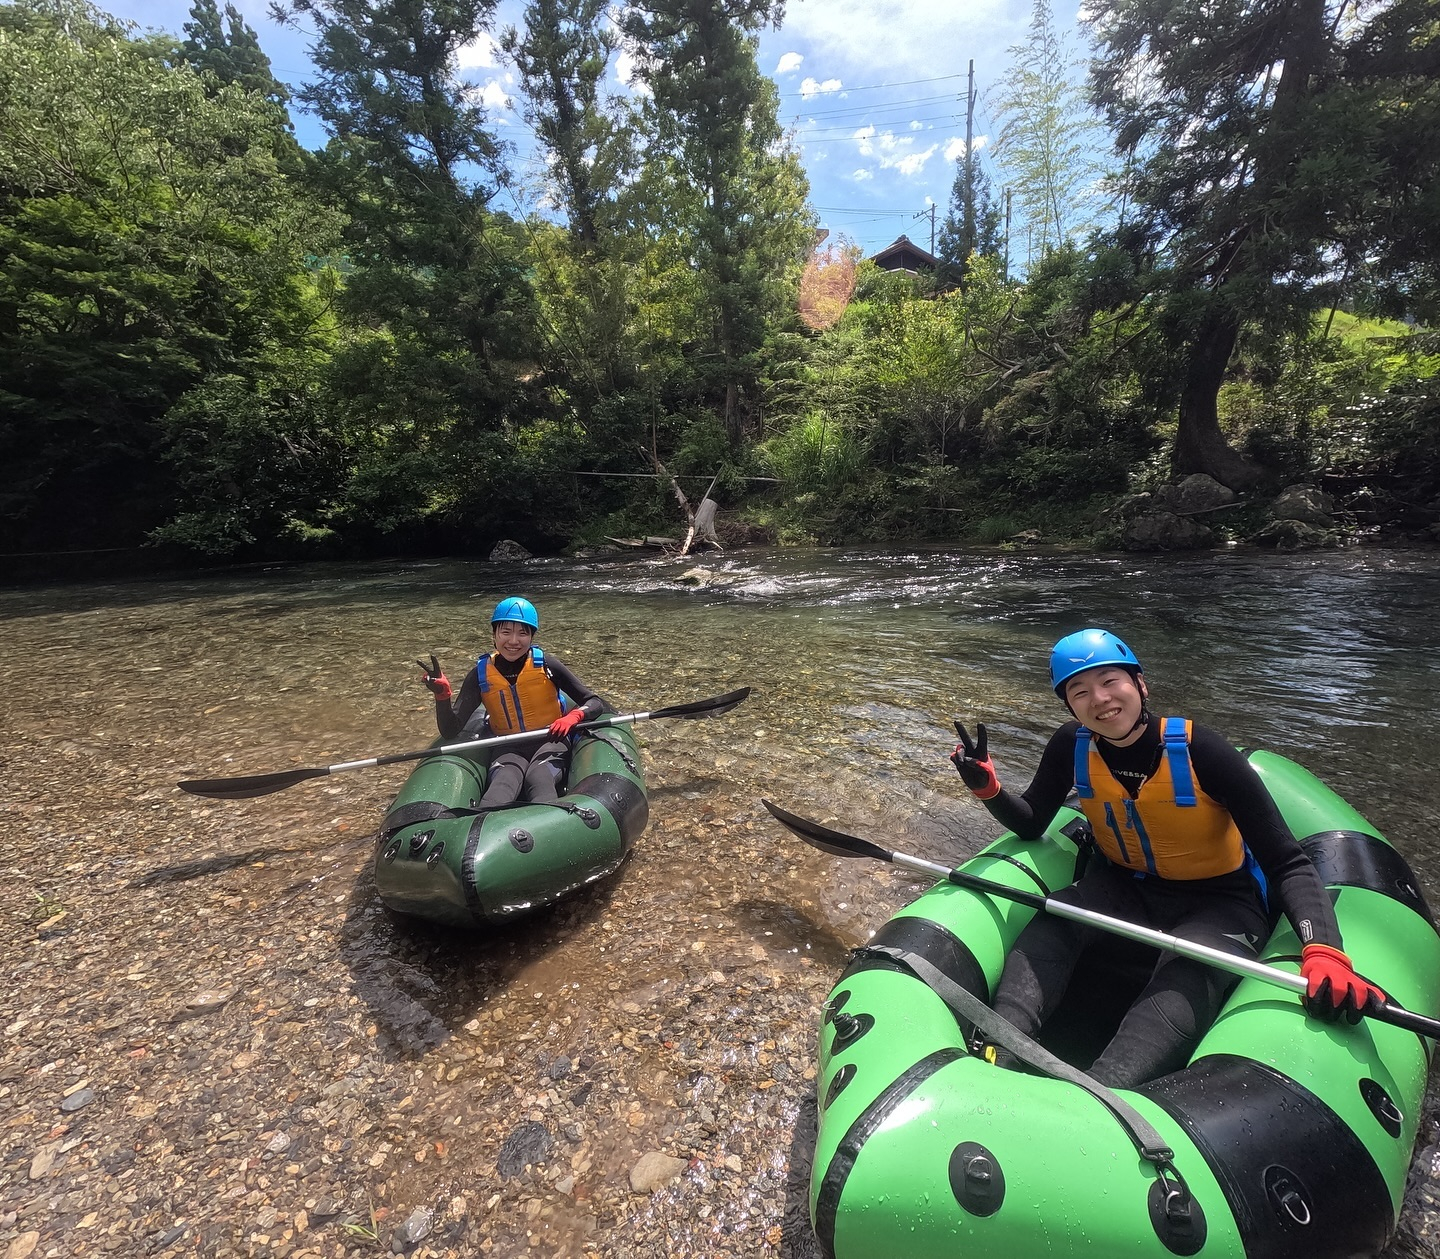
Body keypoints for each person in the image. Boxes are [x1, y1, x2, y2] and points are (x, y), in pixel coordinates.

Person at [949, 627, 1385, 1088]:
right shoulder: (1070, 745)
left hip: (1219, 902)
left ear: (1140, 684)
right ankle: (999, 1054)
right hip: (1125, 887)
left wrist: (1324, 950)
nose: (1099, 699)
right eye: (1079, 691)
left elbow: (1288, 862)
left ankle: (1104, 1096)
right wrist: (989, 789)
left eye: (1110, 682)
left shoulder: (1203, 751)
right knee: (1055, 918)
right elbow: (1034, 819)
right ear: (1069, 706)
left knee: (1191, 969)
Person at [418, 597, 605, 811]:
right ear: (494, 635)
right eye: (506, 632)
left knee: (538, 777)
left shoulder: (547, 665)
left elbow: (594, 702)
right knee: (501, 786)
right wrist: (443, 696)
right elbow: (451, 730)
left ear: (532, 636)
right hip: (508, 744)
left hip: (551, 739)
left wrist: (574, 717)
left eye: (523, 633)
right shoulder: (480, 674)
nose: (514, 641)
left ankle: (551, 828)